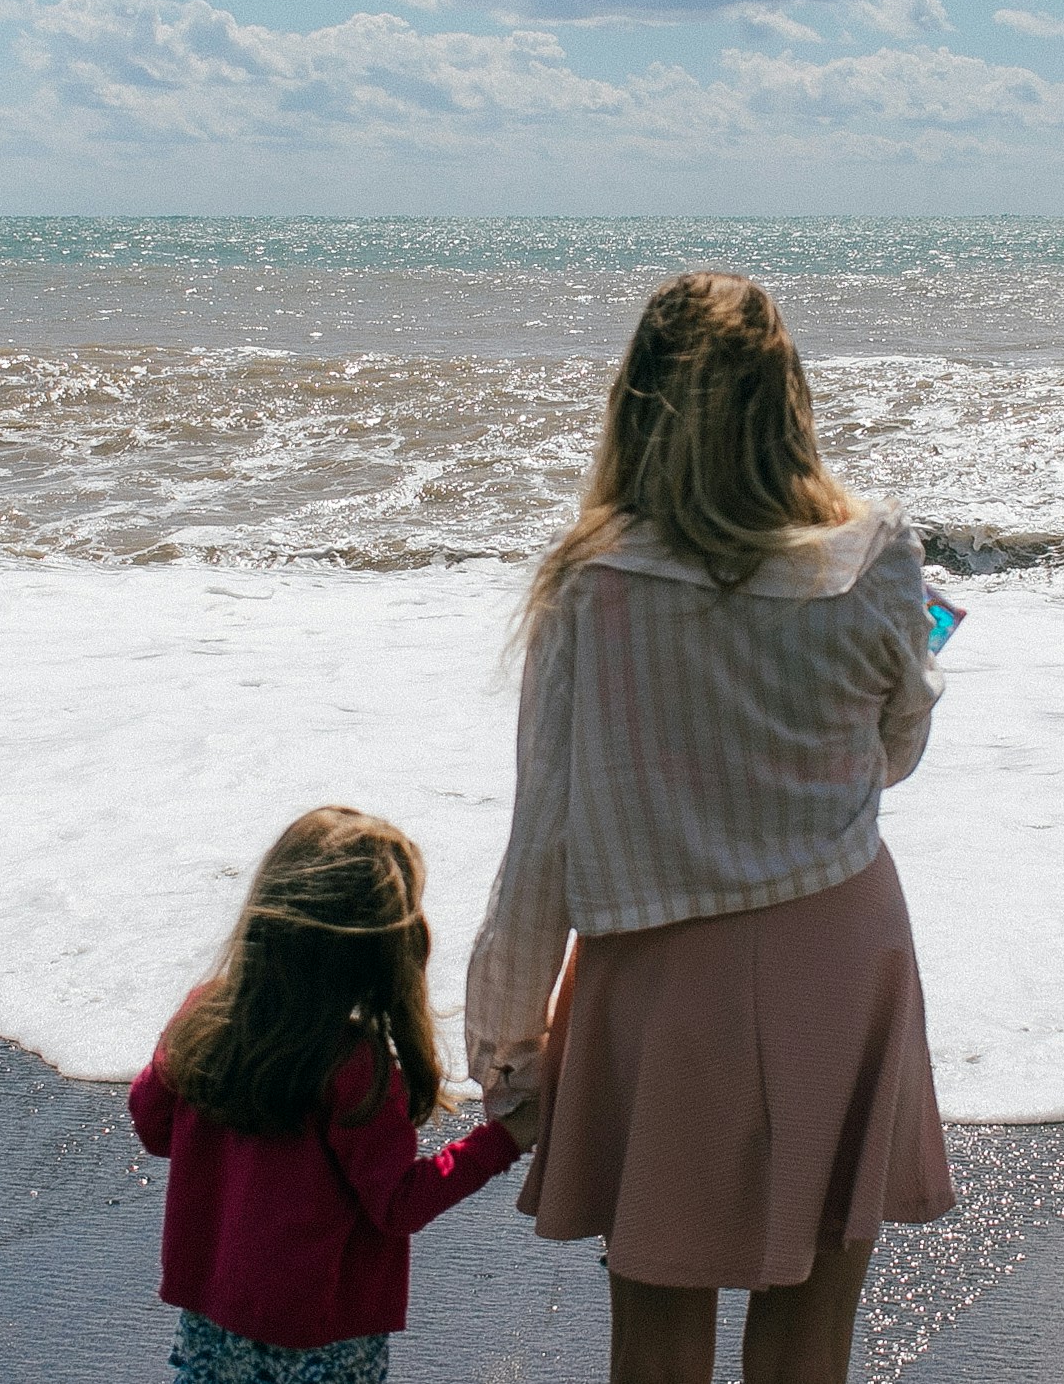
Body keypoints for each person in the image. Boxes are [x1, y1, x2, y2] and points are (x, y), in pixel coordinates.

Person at [467, 270, 955, 1384]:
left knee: (655, 1344)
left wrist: (508, 1047)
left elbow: (543, 839)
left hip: (662, 973)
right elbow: (894, 754)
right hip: (840, 951)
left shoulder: (592, 584)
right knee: (809, 1338)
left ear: (636, 405)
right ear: (789, 402)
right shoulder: (875, 558)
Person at [131, 805, 530, 1383]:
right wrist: (504, 1140)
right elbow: (398, 1204)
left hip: (214, 1323)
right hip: (323, 1335)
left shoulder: (206, 1015)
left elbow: (152, 1125)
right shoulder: (354, 1068)